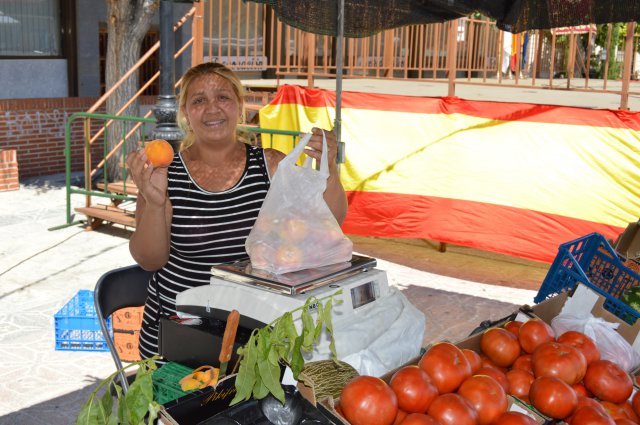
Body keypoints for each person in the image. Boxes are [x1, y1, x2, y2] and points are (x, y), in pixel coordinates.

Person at [126, 62, 348, 360]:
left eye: (223, 97)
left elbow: (328, 221)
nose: (212, 108)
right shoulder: (165, 173)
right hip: (180, 330)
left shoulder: (270, 165)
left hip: (255, 330)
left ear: (239, 106)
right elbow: (149, 259)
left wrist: (329, 169)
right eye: (199, 100)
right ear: (186, 114)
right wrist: (154, 202)